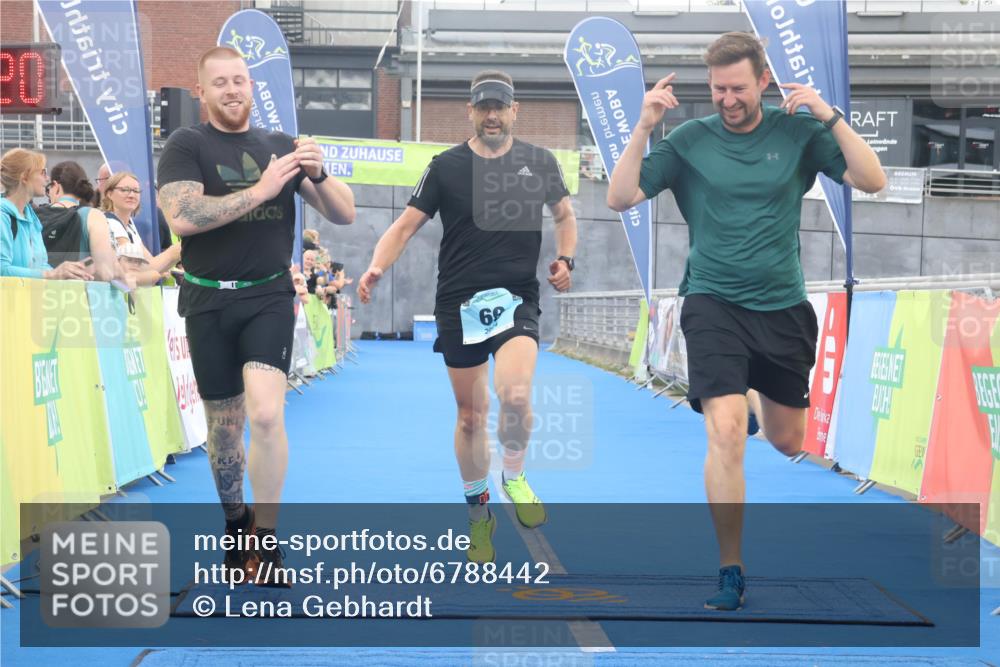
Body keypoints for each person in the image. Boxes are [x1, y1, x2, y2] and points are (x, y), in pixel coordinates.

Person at [607, 32, 886, 610]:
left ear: (764, 81)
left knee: (788, 442)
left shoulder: (798, 132)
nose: (727, 99)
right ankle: (730, 568)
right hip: (713, 301)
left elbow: (871, 180)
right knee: (725, 431)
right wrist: (642, 127)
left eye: (737, 88)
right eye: (717, 90)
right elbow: (620, 197)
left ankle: (759, 403)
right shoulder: (688, 140)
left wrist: (829, 116)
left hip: (782, 306)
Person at [358, 70, 578, 562]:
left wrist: (567, 259)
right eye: (484, 107)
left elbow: (564, 214)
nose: (493, 115)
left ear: (515, 110)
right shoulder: (444, 167)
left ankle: (515, 475)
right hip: (459, 303)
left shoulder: (539, 163)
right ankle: (479, 513)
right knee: (471, 415)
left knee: (516, 394)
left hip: (517, 296)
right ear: (471, 112)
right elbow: (404, 225)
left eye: (501, 107)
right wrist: (375, 266)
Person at [157, 46, 355, 585]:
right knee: (225, 431)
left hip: (267, 296)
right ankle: (235, 523)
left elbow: (344, 211)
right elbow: (182, 215)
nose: (231, 89)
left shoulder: (280, 146)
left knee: (266, 414)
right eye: (218, 82)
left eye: (239, 80)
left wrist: (318, 171)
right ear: (202, 92)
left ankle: (265, 542)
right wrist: (261, 189)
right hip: (205, 299)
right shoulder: (186, 144)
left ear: (250, 86)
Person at [1, 148, 93, 280]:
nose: (48, 178)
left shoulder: (31, 217)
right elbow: (2, 270)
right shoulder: (3, 216)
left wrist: (66, 274)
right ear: (24, 177)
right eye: (43, 172)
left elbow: (41, 265)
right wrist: (52, 274)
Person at [34, 160, 119, 281]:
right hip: (77, 296)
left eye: (49, 189)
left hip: (35, 293)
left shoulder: (33, 215)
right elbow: (105, 272)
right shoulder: (92, 215)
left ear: (56, 186)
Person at [101, 170, 182, 285]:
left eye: (136, 190)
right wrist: (177, 251)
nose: (131, 194)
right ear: (109, 194)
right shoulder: (110, 222)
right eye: (124, 190)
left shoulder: (129, 226)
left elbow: (149, 263)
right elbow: (144, 268)